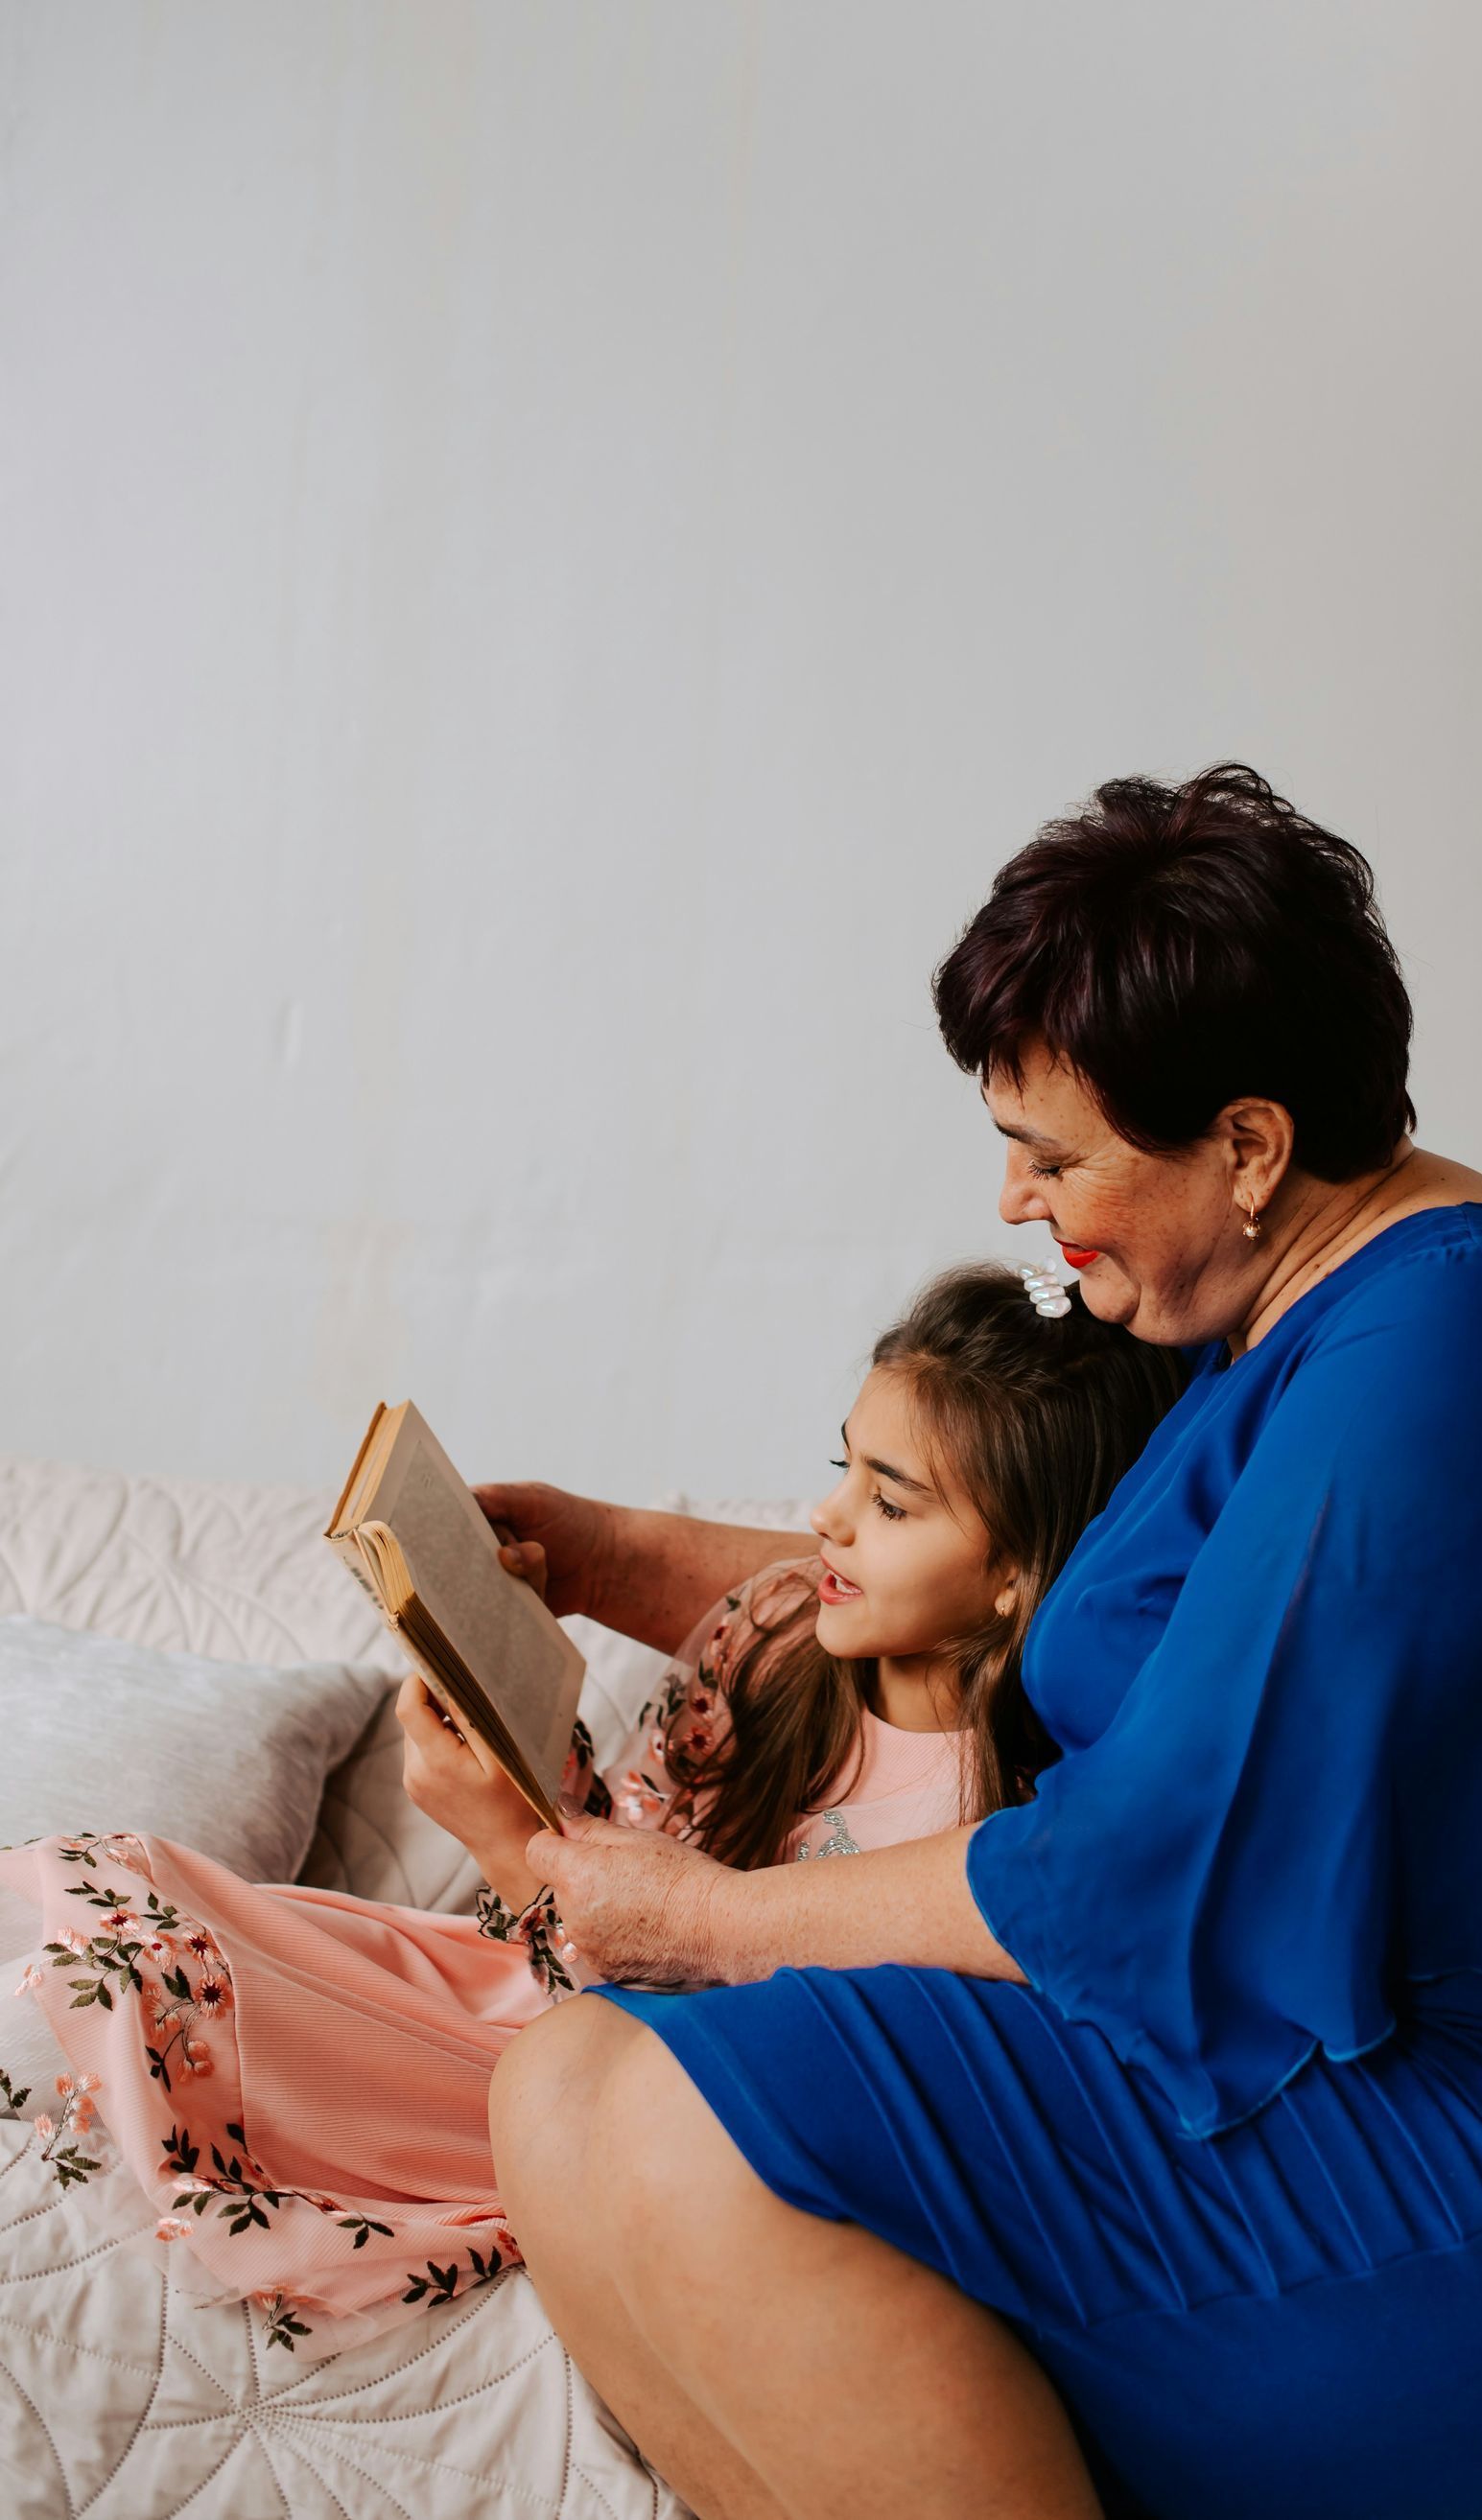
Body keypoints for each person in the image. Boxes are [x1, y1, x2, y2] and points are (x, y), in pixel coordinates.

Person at [452, 765, 1482, 2520]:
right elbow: (999, 1574)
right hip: (1244, 2041)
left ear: (1247, 1143)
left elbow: (1148, 1856)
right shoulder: (1272, 1304)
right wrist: (606, 1553)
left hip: (1391, 2131)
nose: (1016, 1200)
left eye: (1056, 1152)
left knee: (667, 2109)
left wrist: (700, 1917)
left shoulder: (1419, 1357)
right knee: (557, 2093)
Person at [0, 1264, 1178, 2358]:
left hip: (633, 2083)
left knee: (163, 1990)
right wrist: (514, 1762)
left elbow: (732, 2060)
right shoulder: (772, 1637)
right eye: (842, 1471)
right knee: (120, 1888)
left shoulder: (1009, 1824)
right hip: (522, 1983)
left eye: (893, 1503)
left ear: (1022, 1569)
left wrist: (509, 1849)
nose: (828, 1521)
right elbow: (625, 1846)